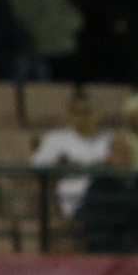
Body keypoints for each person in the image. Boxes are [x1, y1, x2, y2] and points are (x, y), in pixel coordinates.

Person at [31, 92, 112, 220]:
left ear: (98, 114)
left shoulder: (110, 139)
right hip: (76, 199)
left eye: (88, 112)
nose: (84, 117)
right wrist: (60, 164)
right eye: (78, 112)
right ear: (70, 115)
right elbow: (36, 166)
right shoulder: (57, 137)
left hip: (109, 200)